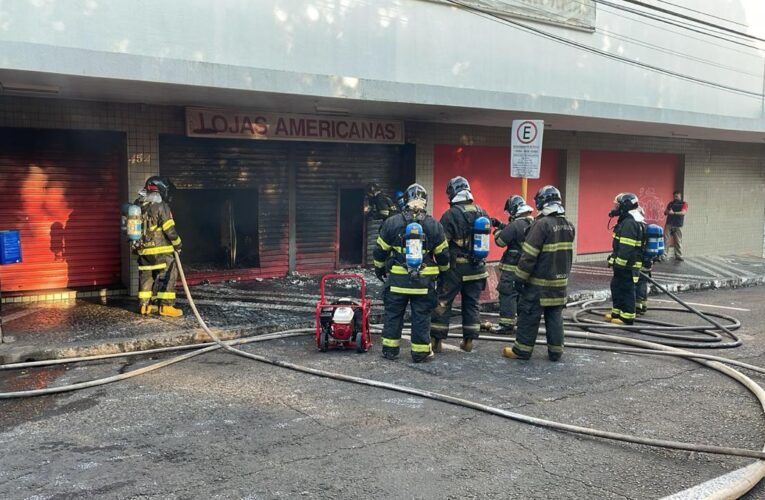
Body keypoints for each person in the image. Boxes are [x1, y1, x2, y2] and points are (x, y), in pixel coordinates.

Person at [373, 183, 450, 362]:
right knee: (421, 317)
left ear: (406, 200)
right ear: (425, 201)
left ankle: (390, 350)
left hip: (398, 283)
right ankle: (420, 353)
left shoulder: (392, 223)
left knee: (393, 315)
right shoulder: (433, 225)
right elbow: (443, 255)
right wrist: (444, 273)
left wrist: (379, 268)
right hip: (423, 284)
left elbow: (379, 251)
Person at [502, 186, 575, 362]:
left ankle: (522, 351)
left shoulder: (541, 224)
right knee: (554, 316)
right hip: (559, 284)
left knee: (528, 314)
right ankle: (556, 352)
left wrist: (519, 278)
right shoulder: (568, 225)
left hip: (538, 284)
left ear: (543, 202)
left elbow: (528, 256)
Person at [431, 176, 489, 353]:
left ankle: (437, 342)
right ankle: (468, 341)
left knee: (443, 302)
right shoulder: (482, 211)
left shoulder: (450, 215)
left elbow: (441, 243)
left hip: (455, 269)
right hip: (478, 268)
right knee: (472, 303)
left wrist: (440, 265)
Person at [134, 176, 184, 317]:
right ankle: (166, 306)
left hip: (143, 252)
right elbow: (170, 230)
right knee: (168, 275)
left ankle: (144, 306)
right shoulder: (161, 206)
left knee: (146, 277)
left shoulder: (137, 205)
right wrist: (178, 244)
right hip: (162, 252)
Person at [490, 195, 534, 334]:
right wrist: (501, 225)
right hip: (527, 268)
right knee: (522, 295)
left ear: (514, 210)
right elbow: (516, 232)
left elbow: (501, 241)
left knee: (507, 293)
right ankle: (523, 323)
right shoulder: (533, 223)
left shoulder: (515, 224)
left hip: (512, 269)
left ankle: (506, 325)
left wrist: (496, 231)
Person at [605, 193, 645, 325]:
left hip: (628, 265)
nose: (615, 207)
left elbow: (626, 247)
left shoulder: (629, 223)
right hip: (624, 264)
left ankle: (627, 317)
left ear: (625, 206)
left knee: (626, 289)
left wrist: (618, 263)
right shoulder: (627, 220)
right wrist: (613, 259)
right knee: (617, 286)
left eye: (618, 205)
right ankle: (617, 313)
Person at [663, 190, 688, 261]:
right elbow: (665, 212)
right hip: (669, 224)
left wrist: (673, 213)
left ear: (680, 196)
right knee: (665, 239)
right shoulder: (670, 203)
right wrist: (668, 212)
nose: (675, 197)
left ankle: (678, 255)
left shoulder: (684, 203)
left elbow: (683, 212)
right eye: (674, 196)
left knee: (678, 241)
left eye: (677, 196)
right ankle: (664, 255)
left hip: (678, 225)